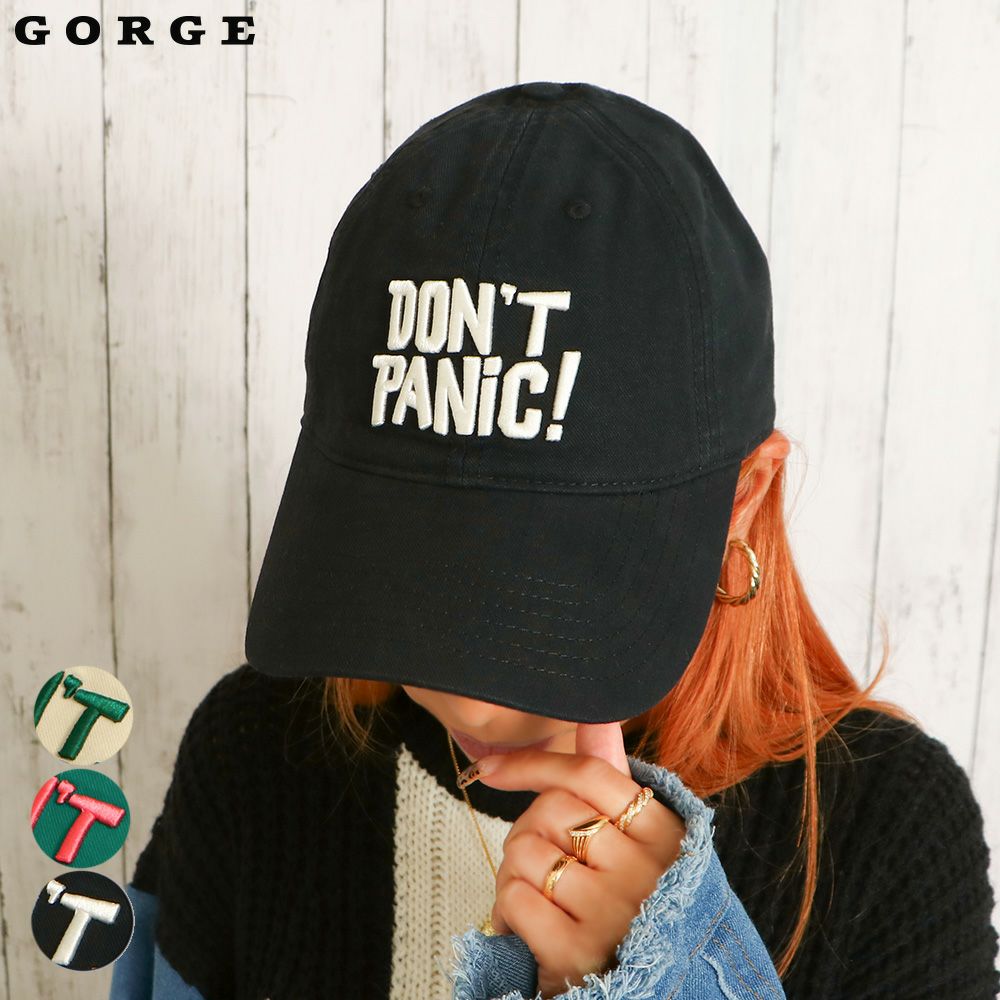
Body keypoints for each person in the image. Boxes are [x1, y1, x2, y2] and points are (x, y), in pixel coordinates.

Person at [109, 81, 999, 999]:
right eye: (410, 551)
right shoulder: (253, 758)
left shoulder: (883, 834)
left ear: (745, 498)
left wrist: (680, 979)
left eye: (544, 565)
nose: (470, 690)